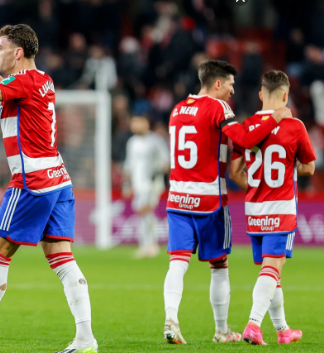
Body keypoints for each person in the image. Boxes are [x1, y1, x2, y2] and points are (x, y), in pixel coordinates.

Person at [0, 18, 98, 353]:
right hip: (57, 179)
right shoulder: (38, 81)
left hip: (31, 182)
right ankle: (85, 338)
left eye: (0, 48)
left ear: (19, 52)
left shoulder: (25, 82)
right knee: (61, 258)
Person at [162, 60, 293, 344]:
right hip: (209, 200)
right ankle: (222, 331)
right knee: (219, 265)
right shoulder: (218, 108)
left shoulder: (177, 109)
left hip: (177, 199)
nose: (233, 91)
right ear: (217, 83)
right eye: (231, 85)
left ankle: (171, 319)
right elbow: (244, 140)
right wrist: (276, 118)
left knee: (177, 262)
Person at [228, 70, 316, 345]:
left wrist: (257, 186)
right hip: (282, 208)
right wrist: (287, 169)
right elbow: (310, 168)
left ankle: (282, 330)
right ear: (286, 95)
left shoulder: (248, 126)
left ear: (260, 95)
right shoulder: (296, 126)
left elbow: (234, 172)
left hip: (254, 210)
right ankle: (253, 325)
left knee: (270, 270)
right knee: (272, 269)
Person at [122, 114, 169, 259]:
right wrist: (126, 184)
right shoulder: (132, 142)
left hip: (151, 182)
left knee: (144, 211)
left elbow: (166, 161)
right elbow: (129, 165)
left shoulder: (155, 140)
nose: (134, 125)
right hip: (138, 184)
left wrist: (157, 173)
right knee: (143, 213)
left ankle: (149, 245)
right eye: (133, 122)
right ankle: (148, 245)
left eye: (138, 122)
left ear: (146, 123)